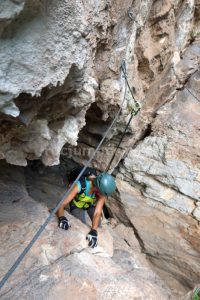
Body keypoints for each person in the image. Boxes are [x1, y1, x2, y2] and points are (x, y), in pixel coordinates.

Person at [57, 172, 116, 248]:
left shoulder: (102, 193)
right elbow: (62, 204)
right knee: (82, 227)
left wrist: (94, 231)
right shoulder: (80, 186)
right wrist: (62, 218)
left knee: (98, 227)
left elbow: (97, 213)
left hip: (90, 205)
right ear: (97, 189)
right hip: (77, 205)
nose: (103, 196)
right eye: (102, 194)